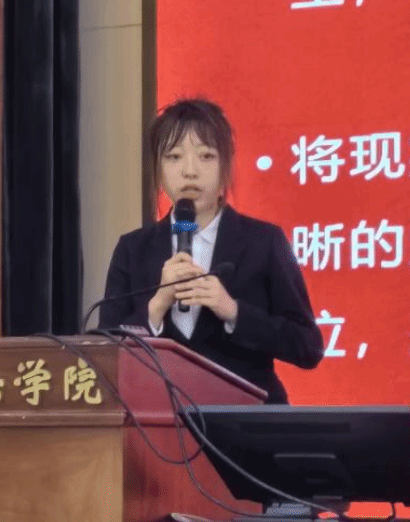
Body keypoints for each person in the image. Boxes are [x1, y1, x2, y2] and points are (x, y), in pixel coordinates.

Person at [100, 98, 323, 403]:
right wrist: (157, 305)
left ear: (225, 165)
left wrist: (233, 311)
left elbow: (308, 347)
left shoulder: (264, 241)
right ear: (158, 169)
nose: (190, 171)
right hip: (159, 421)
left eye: (206, 156)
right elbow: (105, 353)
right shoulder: (133, 249)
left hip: (247, 422)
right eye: (174, 157)